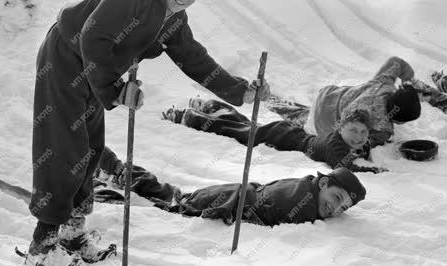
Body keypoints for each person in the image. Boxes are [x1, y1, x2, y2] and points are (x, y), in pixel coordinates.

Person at [28, 0, 271, 266]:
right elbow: (93, 35)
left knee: (90, 148)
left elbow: (194, 60)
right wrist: (114, 91)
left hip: (96, 70)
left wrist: (240, 90)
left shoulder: (174, 20)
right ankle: (41, 247)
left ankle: (73, 234)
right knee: (64, 148)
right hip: (65, 58)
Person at [96, 147, 367, 226]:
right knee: (171, 206)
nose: (336, 208)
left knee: (171, 195)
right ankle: (103, 185)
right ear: (322, 183)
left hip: (225, 192)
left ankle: (117, 171)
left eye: (344, 207)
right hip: (223, 199)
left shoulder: (306, 188)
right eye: (337, 197)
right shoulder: (303, 204)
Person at [162, 98, 388, 173]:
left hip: (291, 132)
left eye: (363, 132)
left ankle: (214, 106)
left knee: (246, 127)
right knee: (240, 133)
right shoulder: (335, 145)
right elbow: (343, 164)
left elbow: (365, 145)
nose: (358, 137)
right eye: (353, 130)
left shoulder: (356, 141)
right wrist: (374, 169)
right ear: (340, 128)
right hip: (282, 138)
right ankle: (190, 118)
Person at [267, 56, 421, 147]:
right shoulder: (382, 128)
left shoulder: (383, 85)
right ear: (397, 118)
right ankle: (277, 107)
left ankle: (274, 102)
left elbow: (396, 62)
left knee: (305, 112)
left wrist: (409, 79)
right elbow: (363, 142)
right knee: (301, 120)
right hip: (322, 125)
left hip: (327, 96)